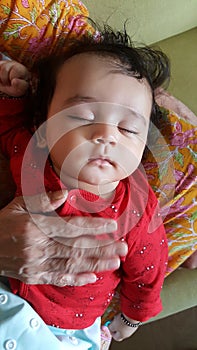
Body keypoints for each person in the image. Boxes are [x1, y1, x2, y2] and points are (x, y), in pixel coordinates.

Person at [0, 27, 169, 347]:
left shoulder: (137, 208)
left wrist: (133, 316)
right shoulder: (30, 151)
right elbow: (7, 126)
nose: (107, 135)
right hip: (10, 291)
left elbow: (149, 271)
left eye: (128, 127)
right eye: (83, 116)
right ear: (42, 125)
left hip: (70, 328)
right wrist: (13, 96)